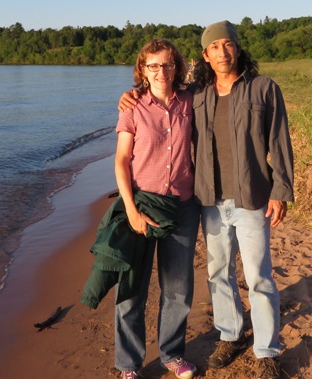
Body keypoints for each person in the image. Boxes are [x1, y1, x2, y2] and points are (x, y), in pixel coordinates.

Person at [120, 21, 294, 379]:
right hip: (210, 200)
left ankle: (266, 352)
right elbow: (156, 93)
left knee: (258, 277)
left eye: (227, 45)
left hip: (252, 198)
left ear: (237, 47)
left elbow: (280, 143)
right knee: (218, 273)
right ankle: (230, 335)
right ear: (205, 55)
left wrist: (281, 191)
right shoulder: (196, 93)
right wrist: (131, 94)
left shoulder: (263, 88)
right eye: (213, 47)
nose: (222, 52)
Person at [104, 38, 201, 379]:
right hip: (142, 204)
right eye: (154, 65)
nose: (162, 71)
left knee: (178, 289)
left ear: (178, 67)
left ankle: (172, 354)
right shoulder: (132, 107)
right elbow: (120, 161)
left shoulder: (190, 101)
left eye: (168, 64)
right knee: (131, 290)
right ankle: (129, 364)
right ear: (143, 70)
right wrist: (130, 209)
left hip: (182, 208)